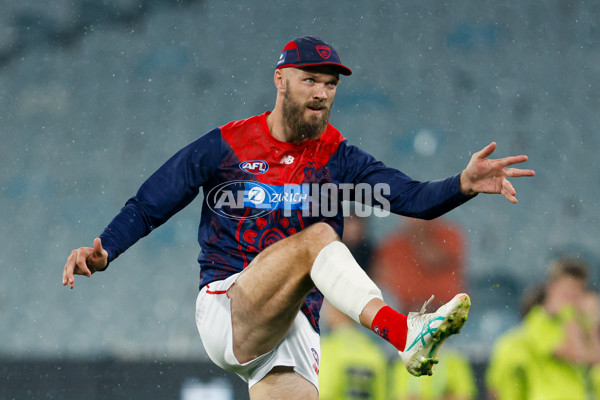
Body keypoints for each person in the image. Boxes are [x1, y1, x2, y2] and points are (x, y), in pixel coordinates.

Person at [62, 36, 534, 399]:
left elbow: (412, 198)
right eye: (311, 79)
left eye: (330, 85)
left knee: (320, 237)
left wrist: (463, 184)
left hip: (296, 327)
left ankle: (404, 334)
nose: (322, 93)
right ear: (280, 80)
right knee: (320, 236)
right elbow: (151, 202)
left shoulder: (339, 156)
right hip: (230, 305)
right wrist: (105, 249)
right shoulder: (226, 144)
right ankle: (403, 332)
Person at [486, 258, 600, 400]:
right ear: (552, 288)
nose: (573, 300)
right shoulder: (539, 321)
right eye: (567, 293)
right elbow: (573, 354)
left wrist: (592, 323)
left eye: (577, 293)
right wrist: (570, 315)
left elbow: (595, 358)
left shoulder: (579, 322)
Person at [373, 217, 467, 310]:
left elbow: (434, 261)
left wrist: (418, 233)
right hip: (407, 313)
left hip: (446, 309)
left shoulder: (447, 234)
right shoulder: (392, 245)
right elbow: (380, 280)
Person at [318, 301, 388, 400]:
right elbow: (381, 394)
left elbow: (323, 393)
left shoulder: (327, 348)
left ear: (335, 310)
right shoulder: (373, 350)